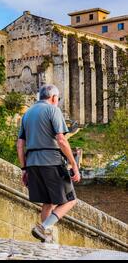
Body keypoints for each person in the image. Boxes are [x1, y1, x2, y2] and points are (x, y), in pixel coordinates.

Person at [17, 84, 81, 243]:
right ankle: (43, 227)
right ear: (53, 97)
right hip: (51, 161)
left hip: (32, 163)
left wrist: (24, 168)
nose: (57, 101)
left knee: (48, 201)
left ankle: (46, 239)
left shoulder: (27, 114)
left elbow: (20, 144)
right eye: (57, 99)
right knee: (71, 200)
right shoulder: (53, 110)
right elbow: (61, 140)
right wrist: (74, 165)